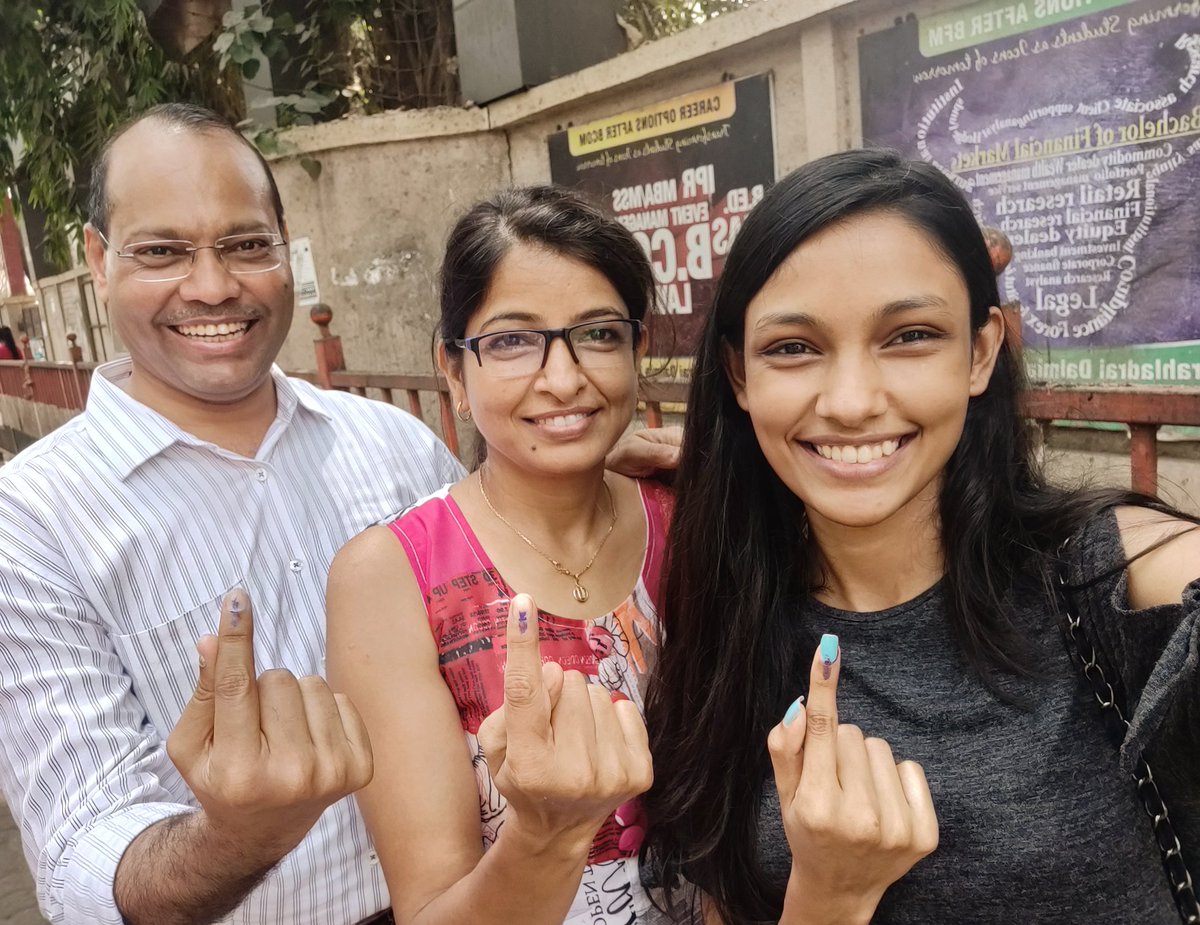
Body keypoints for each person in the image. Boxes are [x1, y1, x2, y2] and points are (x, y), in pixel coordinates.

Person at [0, 105, 677, 925]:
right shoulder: (29, 522)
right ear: (98, 259)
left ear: (287, 248)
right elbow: (79, 858)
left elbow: (508, 522)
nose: (212, 285)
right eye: (163, 251)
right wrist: (239, 834)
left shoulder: (390, 446)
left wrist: (616, 455)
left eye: (247, 245)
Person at [642, 149, 1200, 925]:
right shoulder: (727, 620)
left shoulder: (1110, 578)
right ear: (740, 375)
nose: (850, 401)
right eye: (793, 348)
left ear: (980, 350)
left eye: (908, 336)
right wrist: (829, 896)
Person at [326, 186, 672, 925]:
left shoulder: (690, 521)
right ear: (453, 368)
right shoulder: (394, 575)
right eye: (512, 340)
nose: (563, 377)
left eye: (600, 334)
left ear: (640, 347)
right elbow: (430, 909)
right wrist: (548, 832)